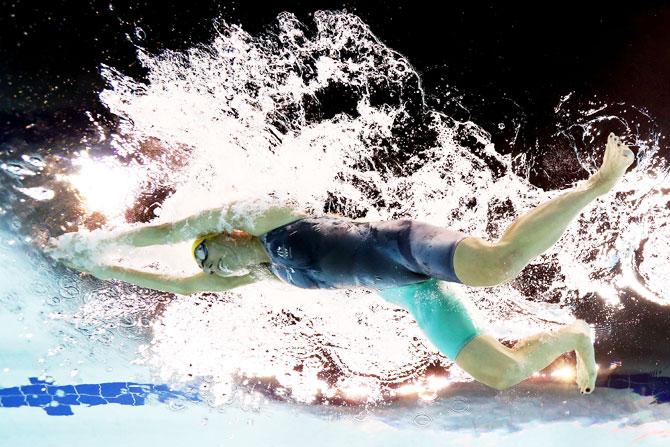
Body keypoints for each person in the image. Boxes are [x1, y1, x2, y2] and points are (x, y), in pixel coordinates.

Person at [51, 133, 634, 394]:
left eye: (209, 250)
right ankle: (575, 338)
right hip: (410, 291)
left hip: (402, 245)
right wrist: (110, 272)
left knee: (498, 265)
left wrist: (103, 243)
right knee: (500, 373)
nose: (212, 264)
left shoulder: (263, 215)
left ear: (223, 232)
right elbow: (177, 283)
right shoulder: (258, 272)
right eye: (210, 264)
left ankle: (596, 185)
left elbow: (172, 233)